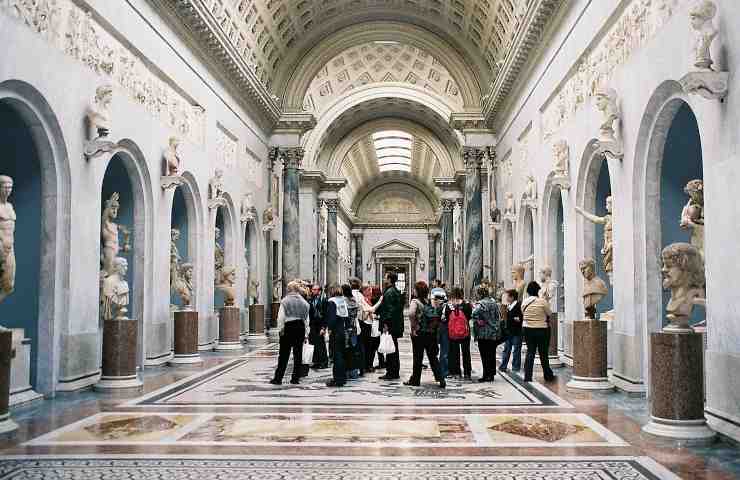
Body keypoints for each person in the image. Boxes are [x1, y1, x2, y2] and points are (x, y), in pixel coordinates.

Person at [405, 281, 445, 388]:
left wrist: (414, 326)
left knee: (418, 358)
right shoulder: (429, 301)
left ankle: (415, 380)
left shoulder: (415, 301)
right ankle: (441, 378)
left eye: (414, 289)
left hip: (419, 333)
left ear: (417, 291)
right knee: (433, 357)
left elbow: (411, 313)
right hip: (430, 333)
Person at [270, 280, 310, 385]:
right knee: (298, 354)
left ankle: (278, 378)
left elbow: (281, 317)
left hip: (288, 327)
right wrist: (306, 333)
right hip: (300, 327)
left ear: (289, 289)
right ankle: (295, 378)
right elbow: (306, 320)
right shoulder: (304, 303)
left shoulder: (285, 301)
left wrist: (280, 329)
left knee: (283, 355)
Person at [521, 281, 556, 382]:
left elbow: (523, 312)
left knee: (530, 351)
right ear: (538, 290)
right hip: (542, 329)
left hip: (528, 330)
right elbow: (549, 313)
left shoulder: (524, 302)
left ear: (528, 291)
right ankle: (547, 375)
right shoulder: (542, 302)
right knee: (543, 353)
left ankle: (527, 376)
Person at [472, 284, 503, 382]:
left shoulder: (480, 304)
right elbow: (499, 316)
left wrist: (478, 320)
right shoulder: (494, 302)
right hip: (494, 332)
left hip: (483, 332)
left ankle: (486, 375)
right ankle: (492, 374)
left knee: (484, 355)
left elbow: (473, 313)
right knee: (492, 353)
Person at [351, 278, 382, 373]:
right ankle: (364, 366)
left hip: (366, 323)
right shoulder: (360, 297)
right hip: (363, 323)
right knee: (365, 346)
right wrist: (380, 301)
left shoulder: (363, 298)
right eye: (369, 290)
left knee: (367, 346)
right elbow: (370, 310)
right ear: (363, 290)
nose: (371, 291)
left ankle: (365, 365)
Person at [378, 272, 403, 380]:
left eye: (385, 277)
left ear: (389, 279)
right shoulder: (395, 291)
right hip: (395, 324)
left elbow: (389, 310)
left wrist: (386, 324)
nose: (384, 279)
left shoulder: (389, 292)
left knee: (390, 349)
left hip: (390, 325)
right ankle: (394, 371)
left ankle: (391, 372)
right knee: (393, 348)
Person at [446, 286, 472, 380]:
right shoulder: (466, 304)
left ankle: (456, 372)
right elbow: (469, 317)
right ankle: (467, 373)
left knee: (454, 353)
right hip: (465, 332)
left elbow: (446, 317)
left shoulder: (449, 305)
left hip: (453, 333)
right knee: (466, 353)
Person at [325, 285, 350, 387]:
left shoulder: (332, 302)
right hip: (342, 330)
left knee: (336, 356)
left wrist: (329, 329)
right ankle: (342, 378)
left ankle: (337, 380)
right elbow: (347, 316)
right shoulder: (343, 301)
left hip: (335, 331)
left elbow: (331, 318)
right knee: (342, 355)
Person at [499, 289, 523, 373]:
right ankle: (503, 366)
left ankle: (515, 367)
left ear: (512, 297)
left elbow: (519, 319)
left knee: (516, 350)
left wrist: (513, 319)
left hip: (517, 332)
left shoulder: (519, 305)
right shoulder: (508, 306)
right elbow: (507, 318)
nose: (507, 298)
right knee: (506, 349)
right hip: (508, 332)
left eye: (508, 296)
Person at [343, 284, 362, 379]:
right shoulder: (354, 300)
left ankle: (346, 371)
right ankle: (354, 372)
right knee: (353, 350)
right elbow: (358, 310)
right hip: (353, 328)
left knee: (345, 350)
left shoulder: (344, 301)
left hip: (345, 328)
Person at [308, 284, 328, 369]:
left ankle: (323, 362)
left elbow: (326, 314)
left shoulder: (323, 300)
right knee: (313, 342)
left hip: (320, 324)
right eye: (313, 289)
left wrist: (324, 327)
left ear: (319, 291)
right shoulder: (311, 300)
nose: (314, 291)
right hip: (313, 324)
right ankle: (316, 361)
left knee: (321, 343)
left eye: (316, 289)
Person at [431, 286, 449, 378]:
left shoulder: (440, 308)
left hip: (442, 331)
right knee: (443, 351)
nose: (433, 301)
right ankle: (443, 370)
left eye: (435, 300)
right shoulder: (443, 307)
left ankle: (443, 370)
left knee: (443, 352)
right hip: (441, 331)